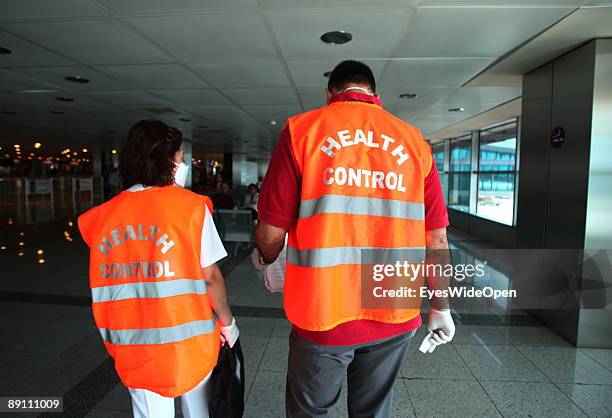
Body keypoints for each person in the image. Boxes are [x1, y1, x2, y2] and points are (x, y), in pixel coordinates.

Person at [254, 60, 455, 417]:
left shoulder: (303, 131)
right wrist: (441, 306)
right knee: (373, 411)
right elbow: (436, 240)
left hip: (324, 309)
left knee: (312, 411)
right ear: (375, 95)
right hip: (394, 310)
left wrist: (267, 259)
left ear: (330, 93)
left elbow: (271, 231)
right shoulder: (414, 141)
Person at [78, 120, 239, 418]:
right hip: (192, 340)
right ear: (167, 160)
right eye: (180, 157)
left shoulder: (102, 217)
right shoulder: (190, 208)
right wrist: (228, 323)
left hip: (134, 343)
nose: (182, 163)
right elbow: (211, 277)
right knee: (199, 411)